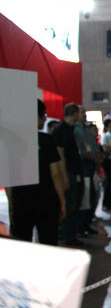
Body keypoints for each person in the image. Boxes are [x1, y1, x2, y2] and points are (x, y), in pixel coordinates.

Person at [4, 99, 65, 245]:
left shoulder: (11, 141)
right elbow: (55, 173)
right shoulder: (47, 140)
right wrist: (62, 200)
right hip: (47, 200)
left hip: (22, 201)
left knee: (22, 243)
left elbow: (8, 177)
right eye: (43, 115)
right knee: (48, 242)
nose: (45, 118)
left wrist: (12, 204)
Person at [52, 102, 83, 246]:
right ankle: (67, 234)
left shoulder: (68, 130)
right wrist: (64, 176)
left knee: (73, 204)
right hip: (68, 172)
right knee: (69, 205)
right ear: (75, 114)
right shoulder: (62, 130)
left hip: (72, 171)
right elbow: (60, 155)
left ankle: (69, 233)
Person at [74, 107, 102, 234]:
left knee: (91, 198)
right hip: (83, 169)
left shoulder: (87, 130)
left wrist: (96, 159)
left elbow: (94, 147)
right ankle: (79, 227)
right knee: (84, 200)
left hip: (91, 169)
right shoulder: (75, 130)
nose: (84, 115)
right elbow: (83, 151)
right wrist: (93, 157)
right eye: (82, 113)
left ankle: (86, 224)